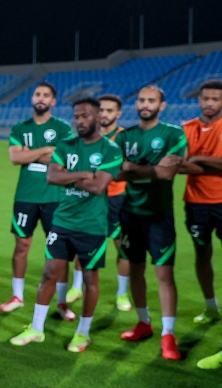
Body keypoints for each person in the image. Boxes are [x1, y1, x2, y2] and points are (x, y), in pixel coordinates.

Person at [9, 97, 122, 352]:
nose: (79, 121)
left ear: (98, 117)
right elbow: (52, 176)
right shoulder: (66, 144)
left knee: (90, 280)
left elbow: (98, 186)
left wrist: (68, 177)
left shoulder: (110, 149)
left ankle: (83, 333)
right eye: (76, 116)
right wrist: (84, 174)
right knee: (50, 272)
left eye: (85, 116)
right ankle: (36, 329)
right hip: (62, 221)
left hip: (92, 224)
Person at [115, 85, 187, 361]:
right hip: (130, 214)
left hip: (159, 216)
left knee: (164, 275)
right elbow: (115, 173)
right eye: (141, 100)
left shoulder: (173, 133)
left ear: (162, 105)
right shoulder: (125, 136)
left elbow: (168, 174)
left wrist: (132, 167)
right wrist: (151, 169)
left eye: (151, 100)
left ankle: (168, 334)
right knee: (135, 271)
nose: (145, 105)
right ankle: (143, 322)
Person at [0, 82, 75, 320]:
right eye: (37, 94)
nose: (41, 98)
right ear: (32, 99)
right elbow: (15, 158)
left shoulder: (62, 128)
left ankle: (61, 302)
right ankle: (17, 296)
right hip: (25, 197)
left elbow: (64, 160)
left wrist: (29, 153)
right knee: (22, 245)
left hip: (55, 198)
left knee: (59, 251)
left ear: (53, 101)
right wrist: (45, 150)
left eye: (46, 95)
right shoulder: (20, 128)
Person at [176, 80, 222, 369]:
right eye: (206, 98)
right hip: (196, 204)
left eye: (215, 98)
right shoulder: (186, 129)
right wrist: (214, 162)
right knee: (202, 254)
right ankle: (210, 306)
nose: (210, 103)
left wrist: (197, 158)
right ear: (198, 100)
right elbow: (179, 164)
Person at [95, 93, 133, 312]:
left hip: (118, 198)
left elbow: (128, 167)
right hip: (93, 197)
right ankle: (77, 287)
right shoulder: (89, 137)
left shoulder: (125, 138)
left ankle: (122, 293)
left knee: (123, 246)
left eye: (109, 111)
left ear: (118, 114)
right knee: (86, 243)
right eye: (101, 110)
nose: (104, 114)